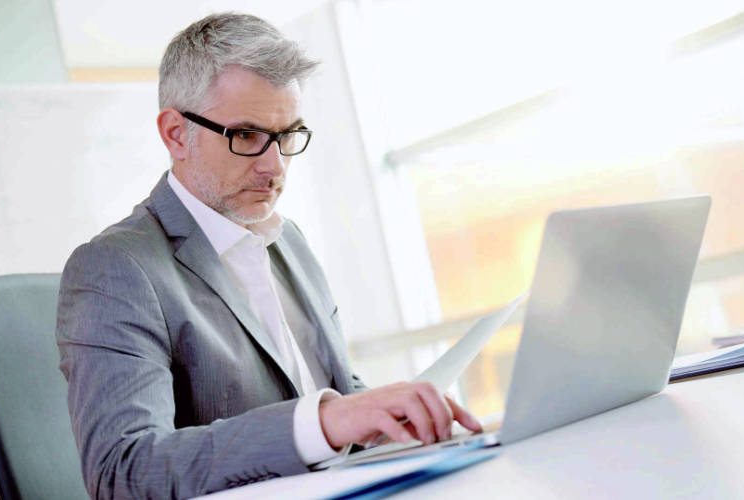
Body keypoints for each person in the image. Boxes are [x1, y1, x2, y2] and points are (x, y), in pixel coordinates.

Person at [56, 12, 481, 499]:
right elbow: (123, 472)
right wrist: (326, 420)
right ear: (176, 134)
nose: (274, 166)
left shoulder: (287, 239)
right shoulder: (116, 268)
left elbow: (331, 389)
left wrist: (389, 418)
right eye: (246, 136)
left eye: (287, 136)